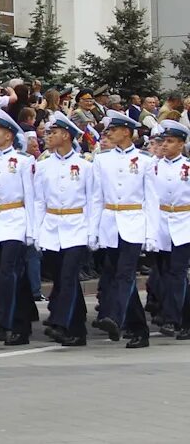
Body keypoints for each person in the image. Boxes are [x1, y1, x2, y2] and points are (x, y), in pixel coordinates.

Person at [33, 111, 102, 346]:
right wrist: (37, 231)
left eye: (53, 132)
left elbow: (93, 201)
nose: (47, 136)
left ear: (65, 135)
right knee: (63, 280)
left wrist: (92, 232)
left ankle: (60, 322)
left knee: (69, 276)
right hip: (52, 228)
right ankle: (77, 329)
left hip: (76, 227)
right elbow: (39, 201)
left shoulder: (84, 166)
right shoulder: (42, 167)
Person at [91, 109, 152, 347]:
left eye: (113, 130)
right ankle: (139, 329)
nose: (109, 134)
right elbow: (97, 197)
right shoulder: (101, 159)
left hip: (134, 221)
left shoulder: (145, 161)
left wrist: (150, 233)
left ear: (126, 132)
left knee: (125, 273)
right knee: (117, 274)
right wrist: (93, 230)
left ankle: (114, 317)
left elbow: (151, 199)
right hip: (110, 222)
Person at [0, 110, 36, 346]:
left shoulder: (23, 161)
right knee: (8, 273)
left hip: (16, 219)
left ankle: (3, 319)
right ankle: (20, 321)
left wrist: (31, 230)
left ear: (9, 136)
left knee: (8, 272)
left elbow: (30, 197)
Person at [145, 119, 190, 339]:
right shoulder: (153, 166)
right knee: (163, 272)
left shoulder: (187, 167)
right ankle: (180, 317)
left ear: (181, 144)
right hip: (160, 223)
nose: (164, 145)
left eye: (170, 142)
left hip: (183, 222)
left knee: (177, 273)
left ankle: (172, 319)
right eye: (163, 141)